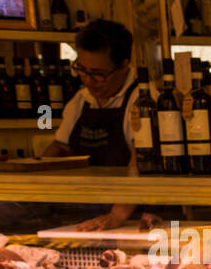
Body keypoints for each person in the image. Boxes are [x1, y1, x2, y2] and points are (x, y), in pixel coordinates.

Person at [41, 19, 142, 231]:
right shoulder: (79, 101)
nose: (87, 80)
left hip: (131, 217)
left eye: (97, 74)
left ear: (124, 65)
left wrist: (116, 215)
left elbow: (140, 161)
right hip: (85, 211)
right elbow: (61, 148)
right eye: (81, 69)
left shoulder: (141, 100)